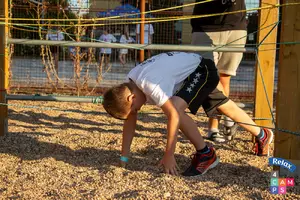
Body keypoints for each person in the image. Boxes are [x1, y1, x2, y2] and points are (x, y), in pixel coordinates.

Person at [102, 52, 273, 176]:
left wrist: (169, 155)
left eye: (134, 109)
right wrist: (124, 158)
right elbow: (130, 119)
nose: (136, 112)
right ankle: (262, 134)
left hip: (200, 70)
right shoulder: (131, 81)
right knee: (224, 106)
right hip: (188, 73)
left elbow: (173, 116)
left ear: (131, 98)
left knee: (174, 108)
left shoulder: (150, 84)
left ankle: (206, 154)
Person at [191, 0, 248, 143]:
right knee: (209, 78)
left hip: (235, 25)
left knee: (224, 78)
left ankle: (213, 128)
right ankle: (231, 114)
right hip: (204, 26)